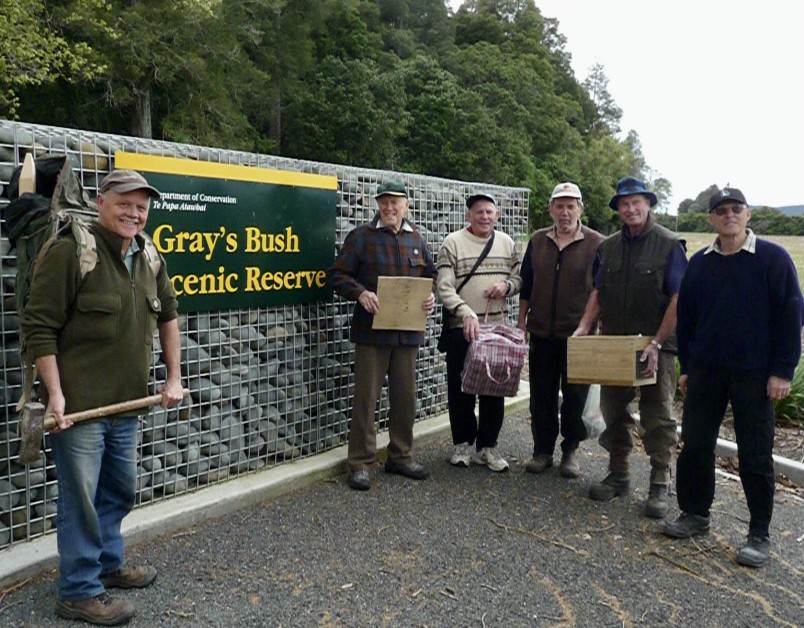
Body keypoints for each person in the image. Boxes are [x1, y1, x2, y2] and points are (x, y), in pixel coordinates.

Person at [22, 169, 184, 625]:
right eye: (125, 203)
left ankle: (108, 564)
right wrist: (55, 395)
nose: (134, 213)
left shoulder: (149, 254)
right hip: (80, 411)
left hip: (128, 405)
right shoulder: (72, 251)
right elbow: (40, 328)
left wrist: (173, 377)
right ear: (100, 201)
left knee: (119, 490)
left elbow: (169, 315)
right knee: (81, 501)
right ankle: (77, 591)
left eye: (141, 206)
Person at [662, 187, 803, 567]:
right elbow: (687, 319)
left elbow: (791, 317)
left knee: (755, 453)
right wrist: (687, 367)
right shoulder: (701, 264)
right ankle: (695, 514)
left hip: (754, 374)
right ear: (710, 218)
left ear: (748, 214)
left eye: (736, 209)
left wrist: (782, 371)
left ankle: (759, 533)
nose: (729, 215)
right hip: (706, 371)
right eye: (721, 210)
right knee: (695, 444)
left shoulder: (772, 259)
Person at [573, 176, 687, 518]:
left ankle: (659, 482)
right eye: (624, 204)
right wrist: (584, 326)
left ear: (648, 204)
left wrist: (656, 342)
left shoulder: (669, 244)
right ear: (618, 209)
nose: (631, 208)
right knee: (613, 409)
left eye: (637, 202)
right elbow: (598, 291)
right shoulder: (607, 247)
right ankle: (619, 473)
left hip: (655, 347)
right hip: (615, 343)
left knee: (658, 415)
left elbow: (680, 297)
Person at [328, 180, 437, 491]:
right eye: (384, 202)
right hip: (372, 334)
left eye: (396, 202)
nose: (390, 208)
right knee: (366, 399)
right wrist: (360, 293)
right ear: (377, 204)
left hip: (407, 334)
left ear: (406, 205)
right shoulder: (361, 238)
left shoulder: (417, 239)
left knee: (405, 398)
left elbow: (430, 274)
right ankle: (360, 463)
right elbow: (336, 275)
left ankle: (400, 457)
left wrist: (430, 297)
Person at [517, 182, 604, 478]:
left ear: (580, 208)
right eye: (559, 206)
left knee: (575, 396)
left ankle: (570, 451)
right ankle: (542, 451)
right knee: (541, 395)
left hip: (578, 336)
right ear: (551, 209)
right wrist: (521, 322)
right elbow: (526, 284)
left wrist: (586, 326)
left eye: (571, 206)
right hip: (541, 333)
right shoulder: (538, 240)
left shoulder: (596, 243)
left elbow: (599, 289)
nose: (565, 212)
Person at [436, 192, 522, 472]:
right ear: (468, 216)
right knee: (460, 387)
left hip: (496, 327)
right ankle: (462, 444)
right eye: (479, 212)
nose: (485, 217)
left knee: (493, 388)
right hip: (462, 326)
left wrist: (507, 287)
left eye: (489, 212)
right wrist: (464, 311)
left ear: (497, 216)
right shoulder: (453, 243)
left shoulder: (507, 243)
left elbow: (520, 276)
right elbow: (444, 286)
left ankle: (488, 447)